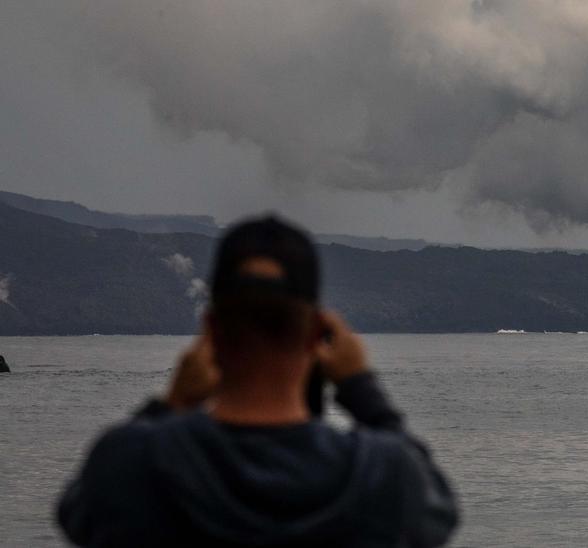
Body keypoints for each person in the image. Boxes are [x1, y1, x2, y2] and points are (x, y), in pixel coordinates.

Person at [56, 216, 458, 547]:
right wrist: (361, 390)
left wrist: (172, 403)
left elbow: (77, 514)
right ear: (319, 334)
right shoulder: (383, 475)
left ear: (210, 330)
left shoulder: (133, 464)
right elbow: (439, 512)